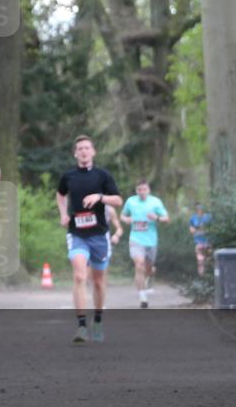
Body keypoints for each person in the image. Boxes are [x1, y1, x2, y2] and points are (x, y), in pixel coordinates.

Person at [56, 136, 123, 343]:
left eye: (87, 148)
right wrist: (63, 214)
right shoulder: (68, 177)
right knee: (79, 276)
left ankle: (98, 320)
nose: (84, 151)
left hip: (99, 235)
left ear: (93, 151)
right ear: (75, 153)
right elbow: (60, 194)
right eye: (80, 149)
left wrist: (100, 197)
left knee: (99, 282)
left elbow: (118, 200)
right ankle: (82, 326)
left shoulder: (103, 175)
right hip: (77, 234)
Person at [120, 179, 170, 308]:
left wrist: (157, 218)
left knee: (148, 269)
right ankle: (143, 297)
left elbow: (166, 218)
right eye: (139, 190)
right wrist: (127, 219)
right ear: (136, 191)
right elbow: (122, 216)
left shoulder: (155, 202)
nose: (142, 192)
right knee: (139, 264)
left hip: (151, 241)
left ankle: (149, 273)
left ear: (149, 190)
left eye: (144, 189)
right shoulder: (131, 201)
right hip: (136, 239)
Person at [190, 203, 212, 276]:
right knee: (200, 261)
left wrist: (198, 229)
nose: (199, 209)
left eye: (200, 208)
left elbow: (212, 229)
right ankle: (201, 277)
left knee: (209, 260)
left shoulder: (208, 217)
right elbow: (192, 230)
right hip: (199, 243)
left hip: (208, 242)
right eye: (197, 208)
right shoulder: (193, 218)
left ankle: (208, 276)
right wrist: (201, 230)